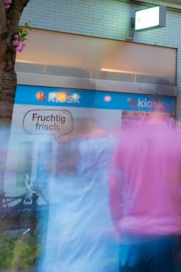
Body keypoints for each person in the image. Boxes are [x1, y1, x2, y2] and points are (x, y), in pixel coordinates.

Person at [110, 105, 181, 272]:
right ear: (170, 110)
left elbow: (114, 186)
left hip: (131, 234)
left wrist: (117, 224)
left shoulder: (127, 138)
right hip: (168, 237)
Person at [39, 115, 117, 272]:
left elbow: (53, 235)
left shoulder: (57, 186)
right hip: (98, 260)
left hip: (72, 261)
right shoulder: (96, 189)